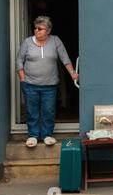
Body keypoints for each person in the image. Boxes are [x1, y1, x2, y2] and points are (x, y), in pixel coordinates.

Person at [16, 16, 78, 148]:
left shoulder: (55, 41)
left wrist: (72, 73)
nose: (36, 30)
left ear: (48, 30)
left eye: (40, 28)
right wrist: (22, 78)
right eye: (35, 28)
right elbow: (19, 61)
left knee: (48, 111)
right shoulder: (27, 42)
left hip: (49, 85)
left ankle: (47, 135)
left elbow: (65, 59)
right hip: (30, 84)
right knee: (32, 111)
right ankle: (32, 136)